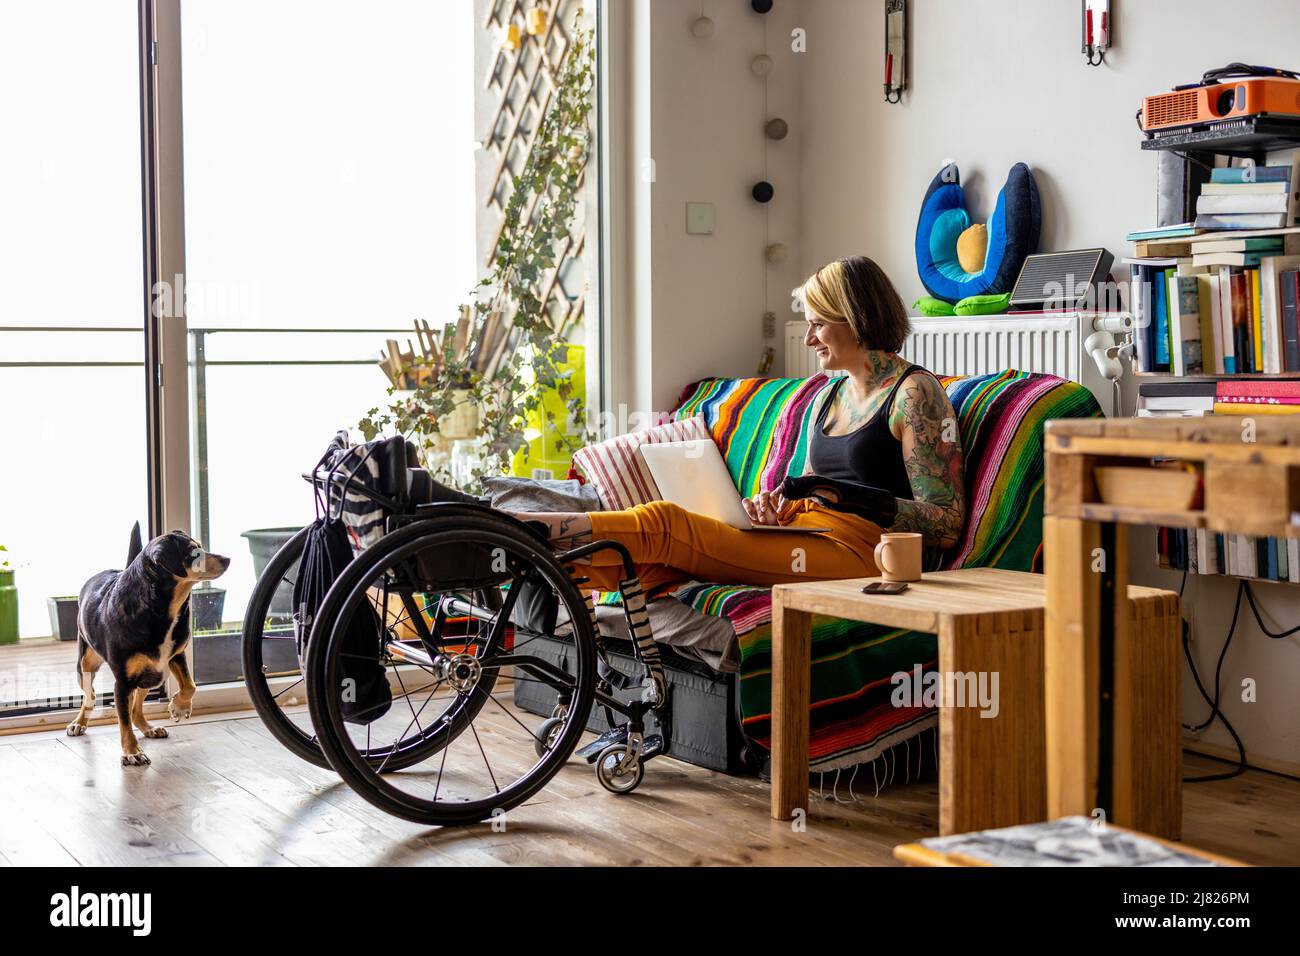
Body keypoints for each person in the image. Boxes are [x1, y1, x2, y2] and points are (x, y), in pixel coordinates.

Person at [517, 255, 966, 595]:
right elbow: (810, 486)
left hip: (863, 552)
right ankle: (525, 559)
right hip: (804, 532)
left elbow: (946, 525)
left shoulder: (914, 394)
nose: (809, 339)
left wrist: (851, 498)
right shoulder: (831, 394)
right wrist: (773, 510)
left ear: (857, 318)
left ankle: (524, 532)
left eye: (818, 325)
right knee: (650, 565)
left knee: (667, 524)